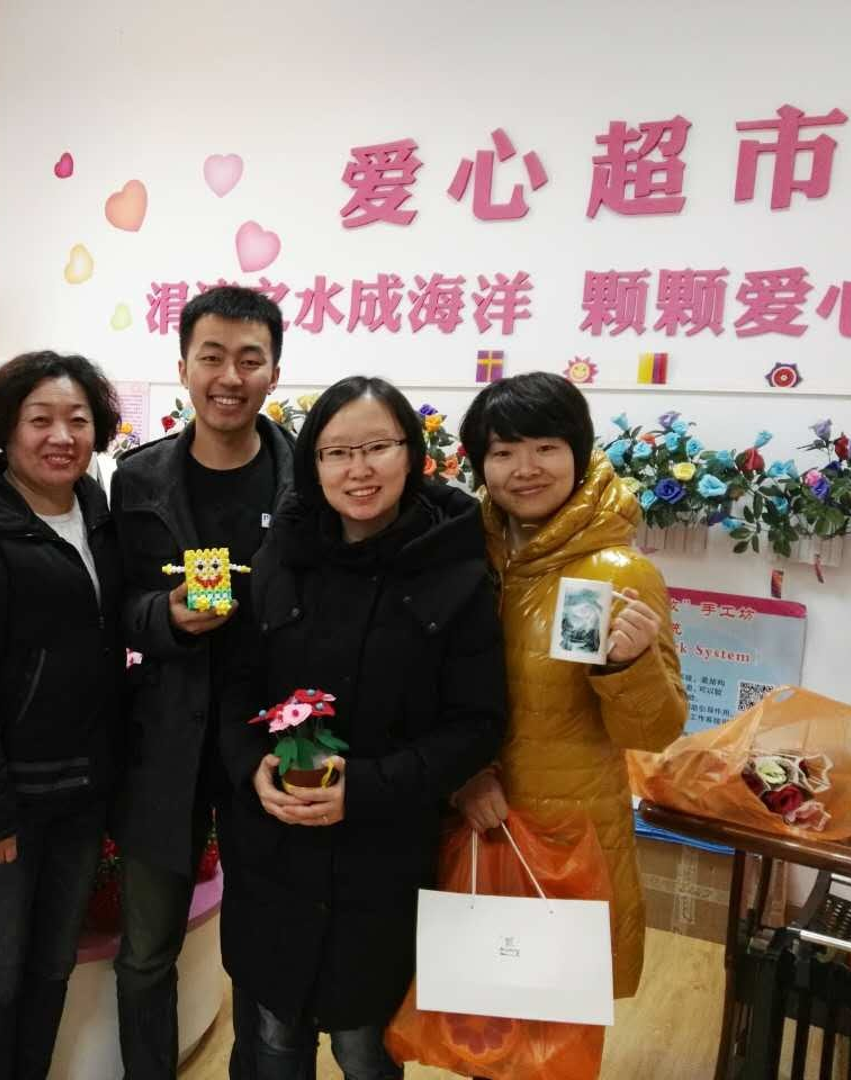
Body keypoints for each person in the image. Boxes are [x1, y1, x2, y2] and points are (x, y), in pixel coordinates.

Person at [219, 376, 508, 1079]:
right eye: (336, 452)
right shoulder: (280, 555)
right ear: (312, 464)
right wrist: (252, 765)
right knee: (274, 1040)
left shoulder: (456, 567)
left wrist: (369, 788)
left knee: (364, 1050)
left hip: (382, 859)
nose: (359, 470)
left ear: (412, 454)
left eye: (377, 447)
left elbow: (477, 723)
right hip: (275, 854)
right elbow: (234, 687)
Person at [454, 371, 688, 1001]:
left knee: (552, 1018)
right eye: (503, 452)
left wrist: (628, 665)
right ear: (481, 466)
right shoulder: (465, 559)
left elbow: (656, 732)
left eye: (545, 448)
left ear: (578, 453)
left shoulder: (617, 573)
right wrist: (462, 778)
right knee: (475, 1013)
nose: (525, 469)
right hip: (468, 821)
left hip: (568, 837)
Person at [112, 285, 295, 1079]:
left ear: (274, 372)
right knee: (146, 948)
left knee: (264, 943)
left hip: (272, 739)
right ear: (183, 366)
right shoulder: (138, 478)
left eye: (249, 359)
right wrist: (164, 616)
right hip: (165, 744)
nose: (230, 377)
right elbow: (115, 604)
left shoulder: (308, 478)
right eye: (212, 357)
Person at [0, 350, 124, 1080]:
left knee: (51, 965)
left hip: (83, 792)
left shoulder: (97, 511)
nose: (61, 437)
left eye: (78, 420)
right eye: (41, 420)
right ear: (7, 427)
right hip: (8, 801)